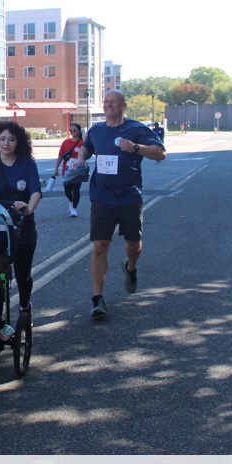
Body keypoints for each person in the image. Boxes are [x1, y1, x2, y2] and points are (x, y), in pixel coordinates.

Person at [74, 90, 166, 318]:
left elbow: (160, 153)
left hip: (129, 198)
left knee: (133, 244)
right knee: (99, 246)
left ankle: (130, 268)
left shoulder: (136, 129)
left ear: (124, 106)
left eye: (113, 102)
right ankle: (97, 299)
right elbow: (86, 147)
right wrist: (81, 160)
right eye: (105, 102)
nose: (108, 105)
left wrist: (136, 148)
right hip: (101, 197)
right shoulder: (97, 130)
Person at [0, 120, 41, 313]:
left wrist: (28, 208)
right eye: (2, 139)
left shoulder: (27, 164)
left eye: (11, 139)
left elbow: (36, 192)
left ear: (18, 142)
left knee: (22, 274)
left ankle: (24, 307)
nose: (6, 143)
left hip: (22, 228)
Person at [53, 123, 85, 217]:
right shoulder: (65, 142)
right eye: (71, 130)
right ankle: (71, 201)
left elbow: (85, 156)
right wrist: (56, 168)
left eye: (75, 130)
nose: (72, 132)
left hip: (78, 169)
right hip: (66, 169)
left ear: (79, 131)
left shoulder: (82, 143)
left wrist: (84, 164)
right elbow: (60, 156)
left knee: (76, 189)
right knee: (67, 190)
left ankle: (74, 209)